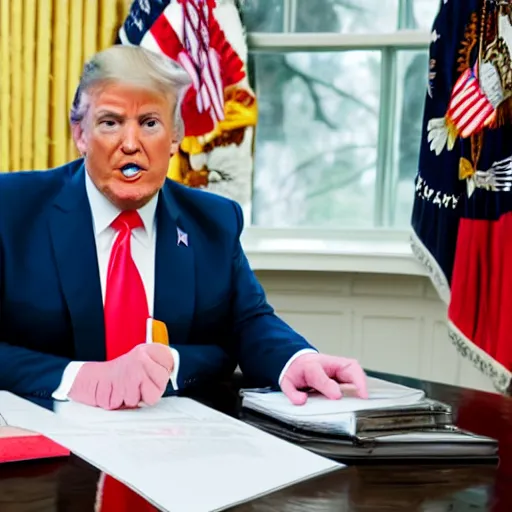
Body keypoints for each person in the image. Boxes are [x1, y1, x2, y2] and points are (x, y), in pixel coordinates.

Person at [0, 45, 368, 410]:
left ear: (175, 137)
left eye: (149, 123)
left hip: (174, 439)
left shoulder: (213, 221)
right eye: (110, 123)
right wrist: (77, 378)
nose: (131, 144)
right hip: (48, 445)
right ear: (81, 134)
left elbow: (247, 322)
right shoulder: (12, 208)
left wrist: (296, 361)